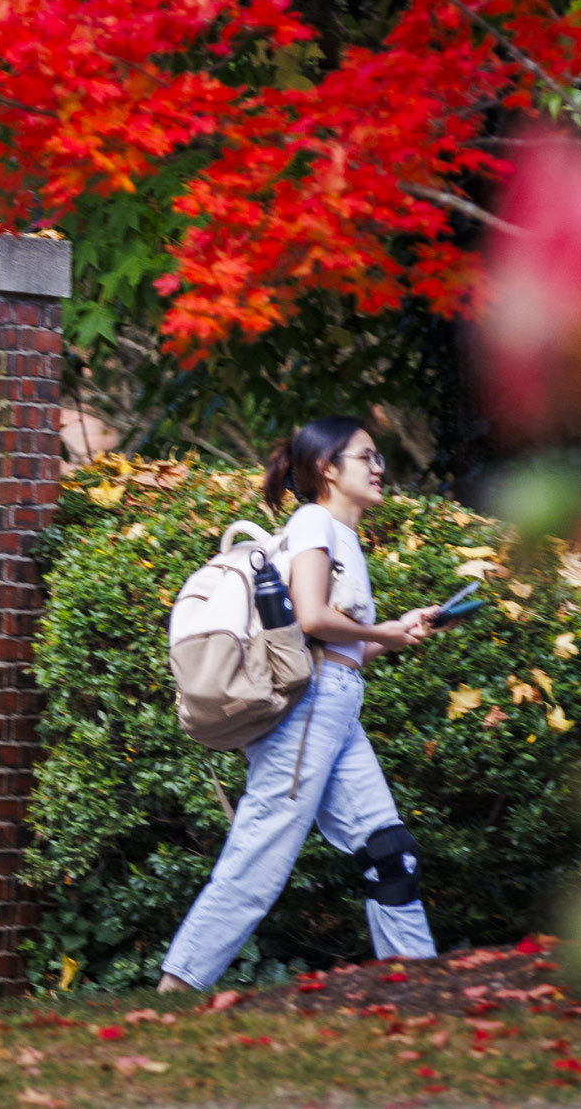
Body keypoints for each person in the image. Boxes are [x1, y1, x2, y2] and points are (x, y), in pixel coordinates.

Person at [157, 415, 450, 994]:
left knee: (388, 850)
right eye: (366, 457)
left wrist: (396, 634)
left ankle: (417, 985)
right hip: (311, 707)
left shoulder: (339, 535)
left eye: (377, 458)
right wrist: (386, 632)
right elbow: (312, 616)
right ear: (327, 468)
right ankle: (178, 988)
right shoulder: (315, 520)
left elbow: (336, 648)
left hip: (336, 700)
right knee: (260, 855)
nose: (378, 468)